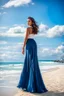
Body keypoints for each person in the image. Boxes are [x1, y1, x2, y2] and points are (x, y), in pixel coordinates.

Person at [17, 16, 48, 93]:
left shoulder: (28, 29)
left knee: (29, 63)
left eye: (29, 21)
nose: (28, 22)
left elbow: (25, 38)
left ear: (32, 22)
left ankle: (30, 85)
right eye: (27, 21)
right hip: (33, 43)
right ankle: (32, 84)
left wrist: (22, 47)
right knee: (33, 63)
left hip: (29, 44)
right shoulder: (35, 29)